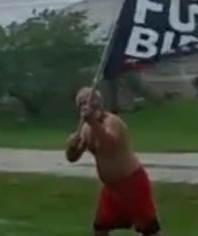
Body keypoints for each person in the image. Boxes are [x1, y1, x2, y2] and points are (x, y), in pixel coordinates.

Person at [66, 87, 162, 236]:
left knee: (149, 230)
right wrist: (70, 148)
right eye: (81, 104)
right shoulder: (85, 129)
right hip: (111, 189)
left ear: (98, 104)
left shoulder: (113, 122)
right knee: (100, 228)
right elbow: (72, 158)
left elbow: (111, 145)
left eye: (88, 103)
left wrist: (94, 124)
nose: (84, 108)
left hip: (132, 184)